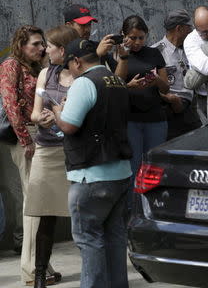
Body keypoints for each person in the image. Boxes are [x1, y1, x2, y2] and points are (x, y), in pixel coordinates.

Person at [52, 38, 132, 288]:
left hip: (90, 176)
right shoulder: (117, 80)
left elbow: (69, 125)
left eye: (70, 65)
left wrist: (57, 112)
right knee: (115, 237)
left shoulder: (84, 83)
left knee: (89, 239)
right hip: (120, 173)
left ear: (77, 61)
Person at [0, 25, 59, 285]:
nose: (41, 48)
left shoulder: (34, 66)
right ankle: (30, 269)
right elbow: (10, 104)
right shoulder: (11, 65)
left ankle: (41, 264)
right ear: (21, 44)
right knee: (33, 203)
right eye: (35, 44)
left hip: (39, 134)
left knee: (39, 202)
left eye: (42, 44)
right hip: (25, 138)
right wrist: (25, 139)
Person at [24, 25, 79, 287]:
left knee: (81, 213)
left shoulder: (81, 77)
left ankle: (94, 271)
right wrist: (42, 119)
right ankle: (39, 276)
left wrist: (63, 115)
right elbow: (34, 113)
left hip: (73, 152)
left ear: (64, 50)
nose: (45, 49)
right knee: (44, 215)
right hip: (46, 151)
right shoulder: (47, 73)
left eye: (50, 46)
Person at [108, 15, 169, 181]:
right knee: (133, 166)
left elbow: (166, 88)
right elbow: (115, 85)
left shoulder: (154, 53)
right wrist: (129, 85)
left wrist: (156, 80)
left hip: (155, 118)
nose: (137, 42)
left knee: (154, 166)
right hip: (130, 119)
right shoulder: (116, 56)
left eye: (141, 38)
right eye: (132, 38)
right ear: (123, 35)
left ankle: (152, 205)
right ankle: (132, 206)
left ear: (146, 35)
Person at [152, 9, 202, 140]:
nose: (192, 31)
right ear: (179, 28)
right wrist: (171, 99)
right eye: (189, 27)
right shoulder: (156, 52)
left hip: (191, 112)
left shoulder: (192, 49)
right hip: (169, 112)